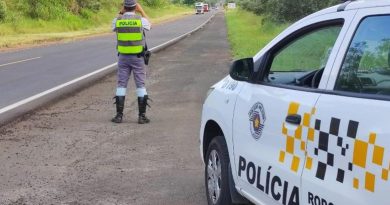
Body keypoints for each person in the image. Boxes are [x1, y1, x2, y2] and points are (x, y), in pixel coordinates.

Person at [111, 0, 151, 124]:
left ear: (124, 7)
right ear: (136, 7)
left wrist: (121, 12)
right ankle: (142, 116)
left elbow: (114, 26)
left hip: (123, 58)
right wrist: (142, 10)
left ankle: (119, 116)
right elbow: (150, 25)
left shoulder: (117, 20)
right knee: (140, 85)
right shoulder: (140, 20)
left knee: (121, 84)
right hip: (138, 58)